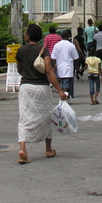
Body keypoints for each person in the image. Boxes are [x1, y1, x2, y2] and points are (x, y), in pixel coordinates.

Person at [15, 24, 67, 164]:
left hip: (26, 87)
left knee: (24, 118)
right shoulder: (43, 50)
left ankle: (23, 149)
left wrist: (28, 74)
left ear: (28, 36)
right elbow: (49, 71)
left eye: (25, 32)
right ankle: (48, 149)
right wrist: (59, 90)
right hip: (42, 88)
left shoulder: (20, 50)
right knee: (46, 117)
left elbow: (20, 70)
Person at [50, 29, 79, 99]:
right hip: (69, 67)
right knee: (67, 84)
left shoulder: (57, 45)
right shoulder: (71, 45)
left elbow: (53, 58)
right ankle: (65, 97)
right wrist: (77, 67)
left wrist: (53, 67)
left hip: (59, 68)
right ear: (69, 36)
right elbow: (76, 58)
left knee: (62, 83)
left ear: (61, 36)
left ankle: (66, 96)